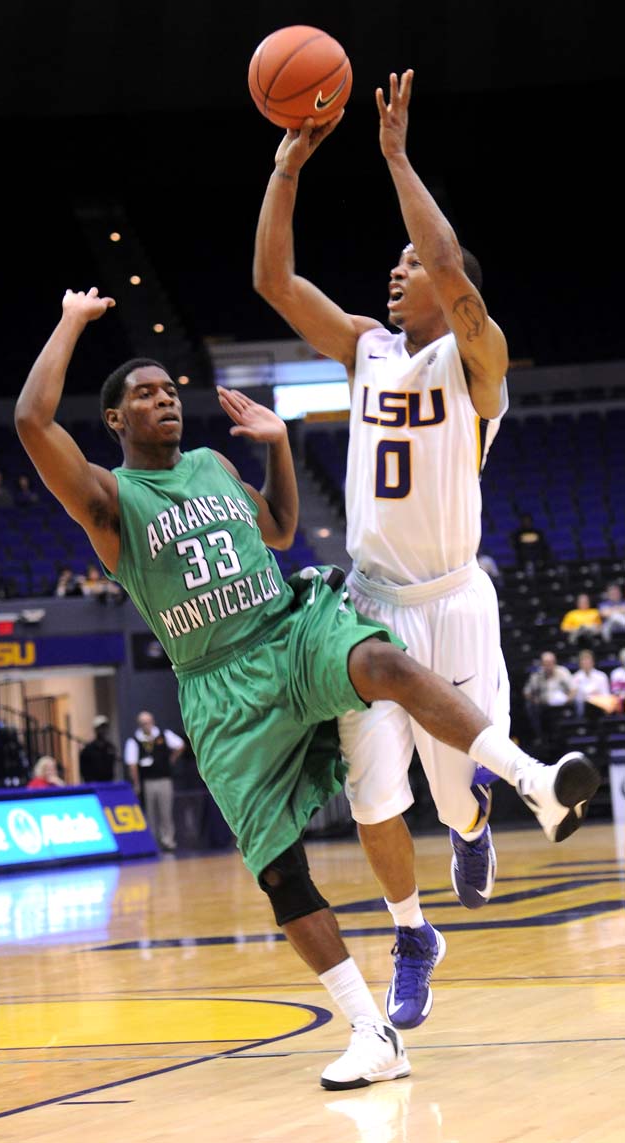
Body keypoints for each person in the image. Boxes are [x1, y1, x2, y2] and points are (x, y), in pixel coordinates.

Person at [14, 284, 598, 1092]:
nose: (165, 401)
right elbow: (31, 425)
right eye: (145, 395)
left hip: (285, 631)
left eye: (170, 390)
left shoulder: (215, 465)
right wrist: (71, 321)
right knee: (281, 872)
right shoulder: (110, 500)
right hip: (220, 688)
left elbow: (282, 531)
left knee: (382, 663)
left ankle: (532, 779)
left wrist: (279, 445)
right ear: (115, 419)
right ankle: (372, 1028)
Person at [253, 69, 514, 1029]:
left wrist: (397, 156)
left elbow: (448, 262)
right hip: (367, 607)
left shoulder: (476, 364)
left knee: (454, 793)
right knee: (369, 796)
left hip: (453, 602)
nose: (397, 270)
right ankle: (412, 934)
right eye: (396, 262)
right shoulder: (363, 345)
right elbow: (273, 283)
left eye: (414, 264)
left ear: (455, 294)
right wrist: (286, 169)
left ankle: (474, 819)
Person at [123, 710, 185, 850]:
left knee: (166, 811)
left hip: (164, 779)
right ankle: (152, 841)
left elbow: (180, 745)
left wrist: (171, 760)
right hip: (147, 781)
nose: (147, 726)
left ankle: (168, 840)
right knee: (150, 813)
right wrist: (137, 783)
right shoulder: (134, 740)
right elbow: (132, 764)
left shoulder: (163, 735)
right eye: (143, 723)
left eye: (148, 722)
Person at [523, 651, 574, 753]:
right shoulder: (537, 675)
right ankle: (540, 736)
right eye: (545, 663)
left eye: (550, 663)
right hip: (544, 706)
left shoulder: (563, 672)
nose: (548, 666)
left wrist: (567, 700)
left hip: (561, 706)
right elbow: (527, 693)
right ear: (542, 664)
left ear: (554, 662)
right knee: (530, 707)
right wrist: (535, 700)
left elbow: (573, 690)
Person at [571, 648, 610, 719]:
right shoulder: (575, 677)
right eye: (583, 660)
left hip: (599, 707)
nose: (586, 662)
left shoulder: (601, 676)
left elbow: (606, 694)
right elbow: (577, 698)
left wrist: (594, 697)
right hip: (583, 708)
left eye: (588, 660)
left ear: (593, 662)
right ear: (580, 663)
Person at [79, 714, 118, 783]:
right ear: (96, 729)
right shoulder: (88, 749)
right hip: (93, 785)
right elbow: (84, 770)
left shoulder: (111, 747)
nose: (103, 730)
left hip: (108, 784)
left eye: (105, 727)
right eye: (100, 728)